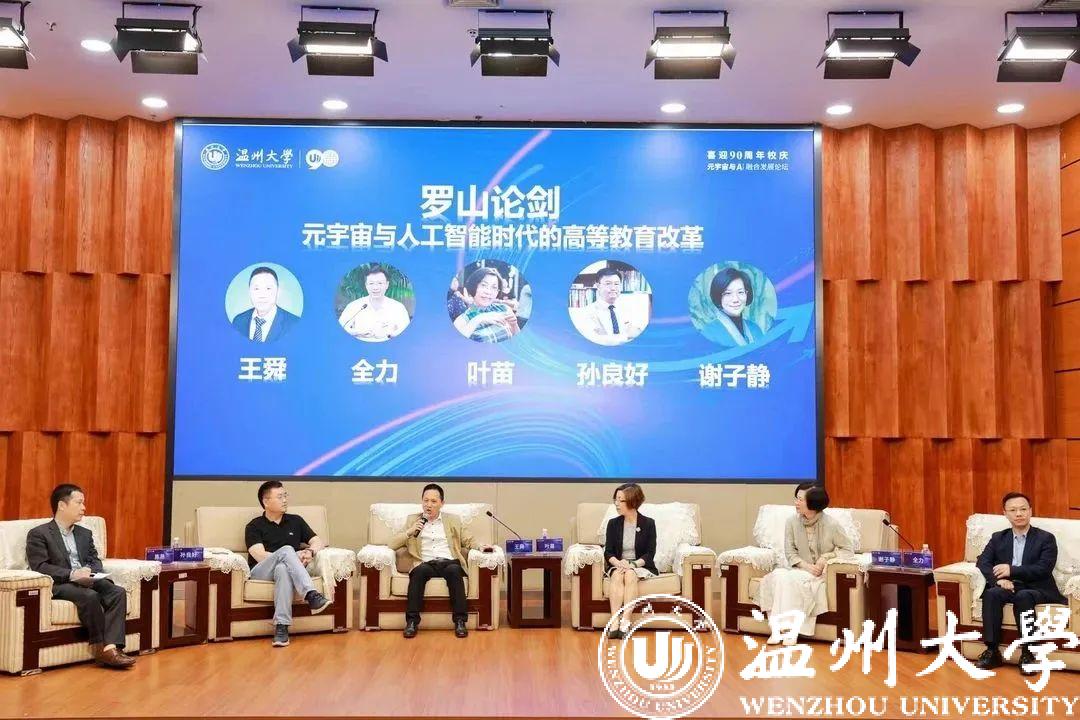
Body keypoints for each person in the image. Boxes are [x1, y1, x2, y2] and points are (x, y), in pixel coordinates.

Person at [25, 484, 135, 669]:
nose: (84, 508)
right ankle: (102, 647)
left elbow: (95, 560)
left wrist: (90, 572)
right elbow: (40, 566)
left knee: (117, 592)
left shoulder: (85, 533)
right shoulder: (39, 534)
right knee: (90, 596)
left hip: (88, 579)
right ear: (62, 505)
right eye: (79, 502)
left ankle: (111, 647)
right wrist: (72, 574)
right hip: (60, 583)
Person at [974, 491, 1066, 674]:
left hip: (1037, 587)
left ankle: (1028, 653)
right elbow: (983, 562)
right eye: (1013, 510)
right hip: (1008, 586)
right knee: (992, 593)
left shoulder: (1046, 538)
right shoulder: (998, 537)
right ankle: (992, 651)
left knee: (1024, 596)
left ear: (1030, 511)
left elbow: (1043, 569)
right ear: (1005, 513)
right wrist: (998, 580)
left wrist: (1012, 570)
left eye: (1023, 509)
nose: (1019, 514)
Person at [389, 483, 492, 638]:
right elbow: (392, 544)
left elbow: (468, 540)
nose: (428, 505)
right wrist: (410, 532)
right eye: (425, 501)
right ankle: (412, 622)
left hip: (449, 561)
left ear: (442, 503)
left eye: (433, 501)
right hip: (425, 563)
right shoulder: (413, 520)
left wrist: (480, 546)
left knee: (454, 571)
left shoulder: (453, 520)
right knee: (418, 573)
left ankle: (460, 621)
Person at [757, 483, 853, 644]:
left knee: (793, 580)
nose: (796, 503)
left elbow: (848, 550)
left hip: (820, 574)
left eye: (800, 499)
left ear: (813, 504)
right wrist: (806, 566)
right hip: (799, 568)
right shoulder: (791, 522)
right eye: (796, 498)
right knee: (779, 576)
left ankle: (791, 632)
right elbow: (790, 553)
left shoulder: (832, 525)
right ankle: (777, 630)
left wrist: (825, 558)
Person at [245, 481, 330, 648]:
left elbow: (318, 541)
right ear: (266, 502)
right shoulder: (254, 525)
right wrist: (291, 555)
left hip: (286, 570)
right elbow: (259, 555)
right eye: (280, 497)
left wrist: (310, 551)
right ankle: (311, 594)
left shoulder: (295, 521)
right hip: (261, 572)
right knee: (287, 550)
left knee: (283, 569)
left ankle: (281, 627)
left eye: (285, 496)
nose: (285, 500)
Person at [603, 483, 657, 639]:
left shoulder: (648, 524)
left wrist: (632, 565)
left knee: (630, 574)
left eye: (621, 500)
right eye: (616, 500)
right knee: (617, 575)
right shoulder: (613, 524)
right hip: (618, 564)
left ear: (633, 502)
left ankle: (625, 621)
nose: (616, 504)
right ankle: (615, 621)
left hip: (639, 565)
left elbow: (649, 554)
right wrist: (618, 563)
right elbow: (608, 552)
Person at [575, 267, 647, 346]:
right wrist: (626, 336)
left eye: (616, 284)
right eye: (608, 284)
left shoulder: (628, 309)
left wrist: (609, 337)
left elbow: (637, 332)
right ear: (598, 286)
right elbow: (595, 340)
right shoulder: (586, 312)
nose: (613, 288)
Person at [338, 265, 412, 342]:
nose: (375, 288)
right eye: (371, 283)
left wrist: (390, 335)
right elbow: (341, 329)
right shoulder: (354, 306)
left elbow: (407, 334)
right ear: (366, 285)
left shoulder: (398, 307)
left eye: (380, 283)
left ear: (387, 285)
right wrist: (357, 332)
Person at [230, 266, 300, 343]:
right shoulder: (238, 321)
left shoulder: (294, 324)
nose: (262, 295)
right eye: (256, 289)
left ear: (277, 291)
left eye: (268, 288)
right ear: (249, 291)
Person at [452, 267, 520, 343]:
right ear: (473, 287)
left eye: (494, 287)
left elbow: (518, 341)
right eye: (484, 285)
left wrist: (514, 325)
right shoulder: (464, 319)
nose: (488, 292)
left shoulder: (504, 309)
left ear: (497, 292)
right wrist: (479, 318)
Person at [709, 267, 764, 347]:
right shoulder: (709, 332)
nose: (735, 299)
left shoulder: (755, 329)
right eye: (728, 293)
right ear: (718, 296)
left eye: (740, 292)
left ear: (747, 294)